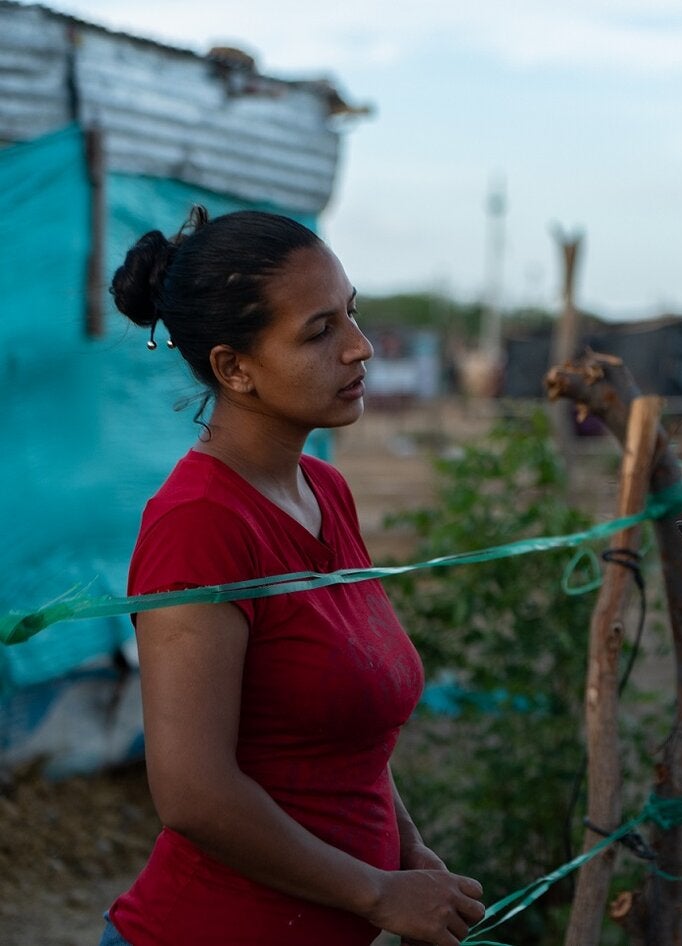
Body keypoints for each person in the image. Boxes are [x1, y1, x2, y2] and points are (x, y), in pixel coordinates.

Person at [100, 208, 486, 946]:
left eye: (352, 314)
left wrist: (406, 848)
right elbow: (193, 794)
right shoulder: (199, 525)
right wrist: (377, 893)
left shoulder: (323, 490)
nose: (360, 347)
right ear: (234, 369)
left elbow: (344, 737)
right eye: (319, 332)